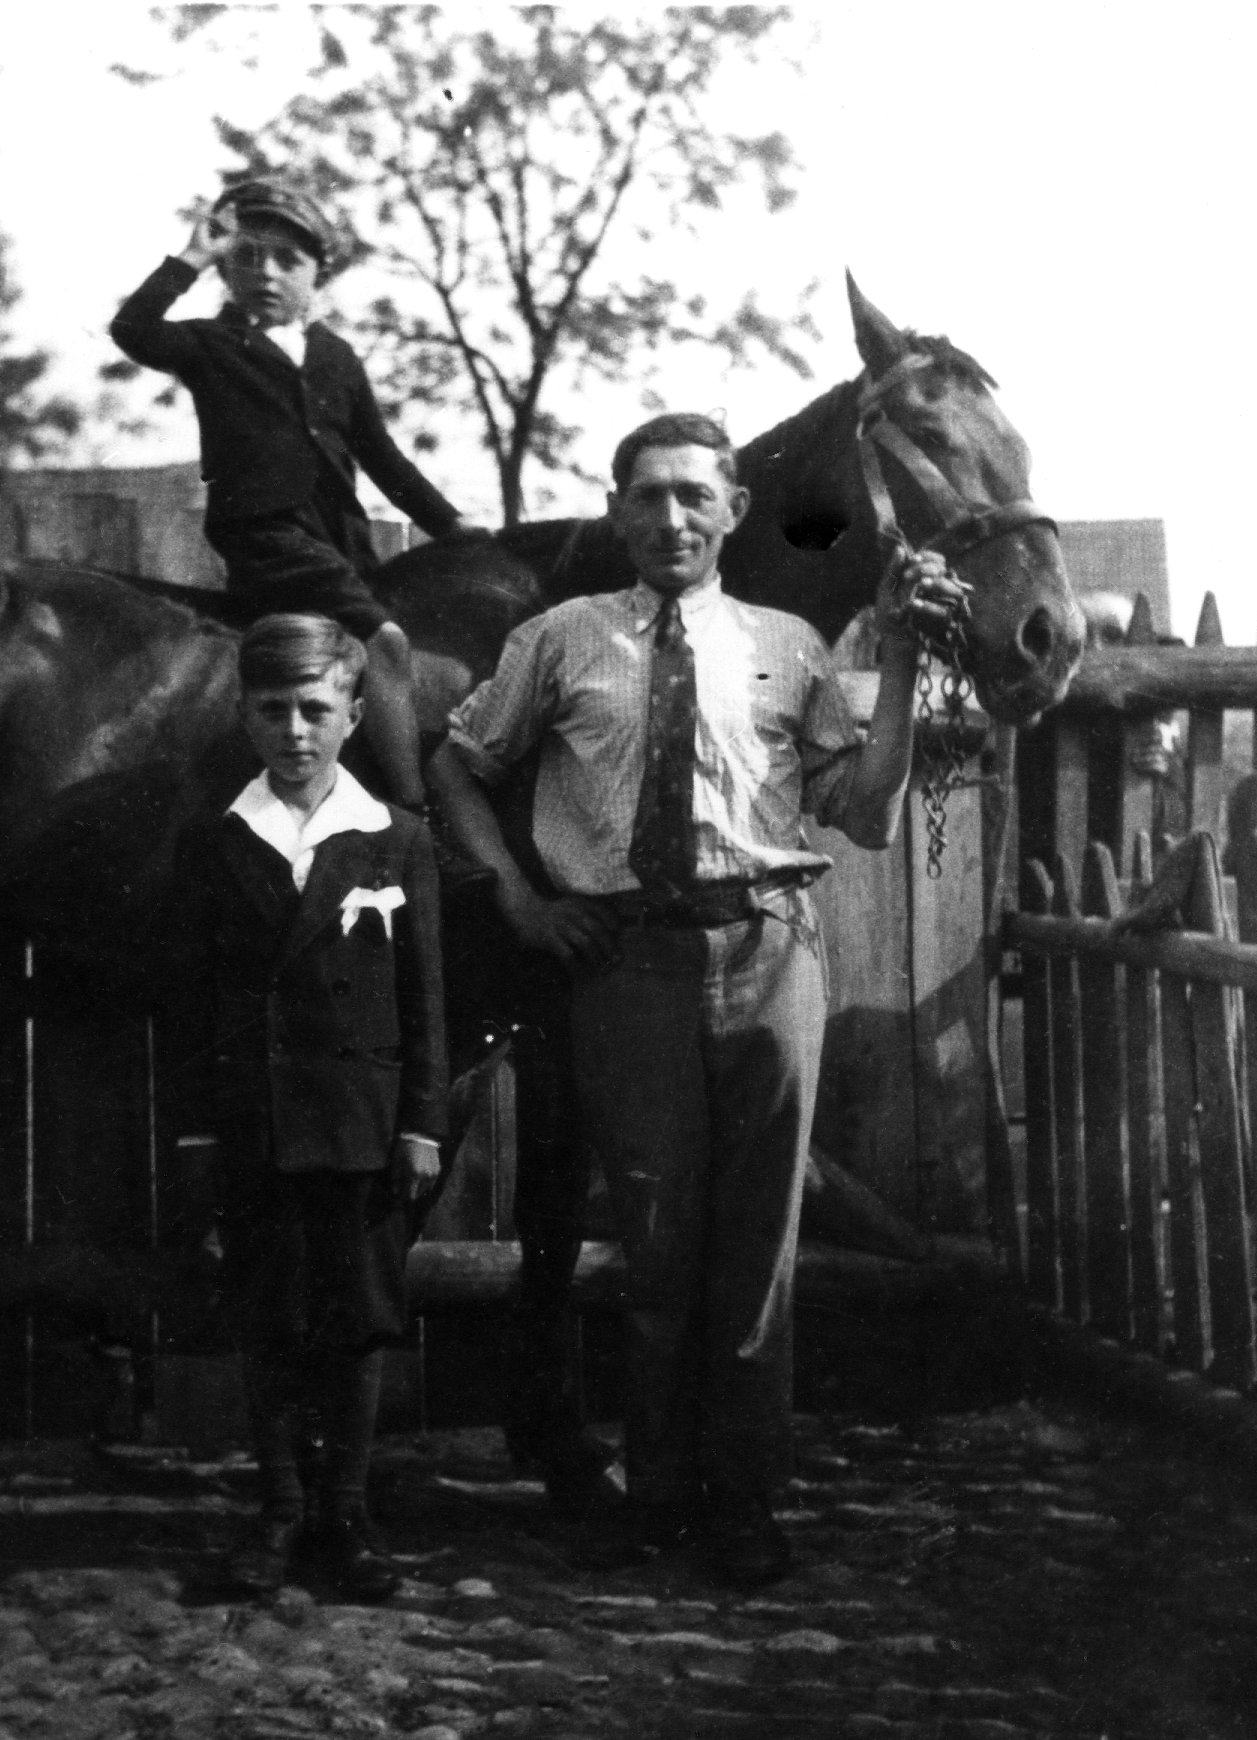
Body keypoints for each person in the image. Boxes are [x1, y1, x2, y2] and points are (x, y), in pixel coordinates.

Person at [427, 412, 966, 1585]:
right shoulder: (561, 639)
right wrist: (518, 899)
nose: (670, 518)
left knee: (758, 1245)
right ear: (618, 513)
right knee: (660, 1247)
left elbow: (866, 811)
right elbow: (455, 766)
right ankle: (658, 1494)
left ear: (730, 513)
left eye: (692, 497)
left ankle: (746, 1502)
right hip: (629, 967)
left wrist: (912, 668)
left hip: (770, 953)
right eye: (647, 497)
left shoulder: (789, 645)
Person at [171, 613, 448, 1601]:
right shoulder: (216, 843)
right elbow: (192, 1002)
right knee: (271, 1315)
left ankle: (349, 1516)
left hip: (363, 1125)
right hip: (260, 1123)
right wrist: (202, 1130)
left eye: (315, 710)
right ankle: (281, 1513)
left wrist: (421, 1123)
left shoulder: (394, 839)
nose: (295, 731)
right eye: (273, 710)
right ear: (245, 717)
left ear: (355, 714)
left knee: (360, 1318)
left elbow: (424, 999)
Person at [110, 178, 473, 809]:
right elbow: (133, 329)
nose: (266, 274)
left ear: (318, 274)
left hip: (339, 541)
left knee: (376, 655)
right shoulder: (212, 344)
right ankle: (418, 809)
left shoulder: (336, 356)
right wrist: (191, 258)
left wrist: (453, 528)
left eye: (288, 261)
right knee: (385, 642)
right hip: (266, 536)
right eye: (246, 258)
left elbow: (383, 459)